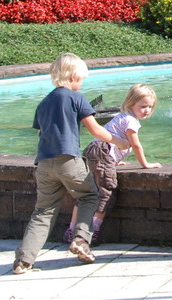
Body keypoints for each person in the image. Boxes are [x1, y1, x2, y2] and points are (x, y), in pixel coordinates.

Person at [12, 53, 125, 275]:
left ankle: (23, 260)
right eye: (81, 79)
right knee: (89, 196)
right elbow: (95, 130)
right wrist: (118, 141)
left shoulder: (44, 103)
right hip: (68, 159)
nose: (81, 83)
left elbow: (41, 132)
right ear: (73, 77)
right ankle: (81, 240)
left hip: (44, 163)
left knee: (42, 211)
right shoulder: (76, 97)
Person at [64, 83, 162, 245]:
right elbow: (136, 145)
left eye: (150, 107)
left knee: (85, 193)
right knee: (105, 193)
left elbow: (109, 140)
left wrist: (113, 160)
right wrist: (146, 164)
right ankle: (92, 231)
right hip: (102, 153)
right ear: (131, 103)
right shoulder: (131, 121)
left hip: (94, 151)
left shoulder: (121, 117)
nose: (147, 110)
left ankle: (72, 230)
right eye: (143, 106)